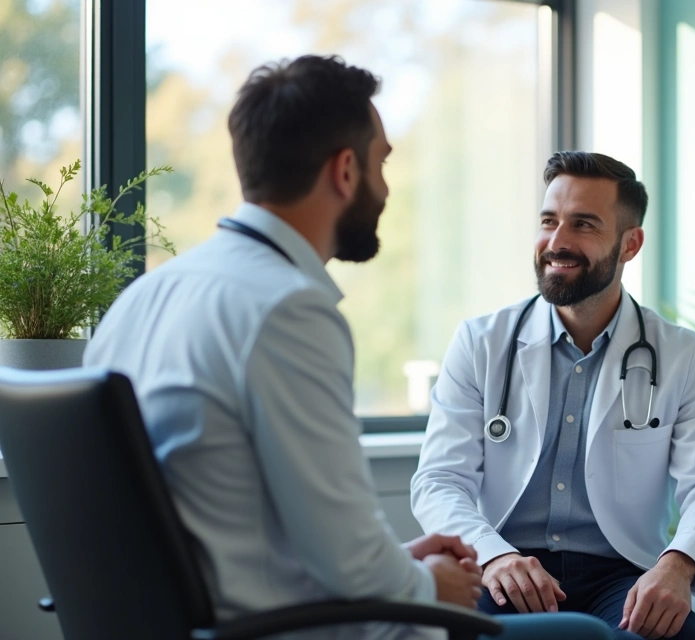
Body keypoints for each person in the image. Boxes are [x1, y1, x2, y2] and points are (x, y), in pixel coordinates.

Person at [85, 55, 613, 640]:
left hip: (199, 617)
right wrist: (431, 584)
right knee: (584, 636)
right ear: (344, 171)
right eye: (380, 163)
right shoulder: (285, 310)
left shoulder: (146, 296)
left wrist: (404, 562)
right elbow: (352, 565)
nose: (385, 187)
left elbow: (263, 525)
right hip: (285, 628)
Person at [410, 151, 695, 640]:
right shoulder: (481, 342)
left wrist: (678, 563)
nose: (557, 242)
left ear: (630, 245)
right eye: (549, 221)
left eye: (583, 224)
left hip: (623, 575)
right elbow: (439, 480)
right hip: (504, 570)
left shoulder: (684, 355)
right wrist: (494, 554)